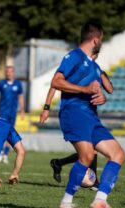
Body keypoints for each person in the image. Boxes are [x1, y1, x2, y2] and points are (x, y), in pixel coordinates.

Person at [51, 20, 125, 208]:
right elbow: (56, 81)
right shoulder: (74, 56)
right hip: (74, 113)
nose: (101, 42)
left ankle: (100, 200)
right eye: (101, 39)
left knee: (118, 154)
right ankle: (66, 204)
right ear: (95, 39)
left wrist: (102, 98)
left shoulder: (94, 66)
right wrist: (85, 89)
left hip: (91, 117)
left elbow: (99, 91)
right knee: (87, 156)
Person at [40, 53, 114, 187]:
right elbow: (54, 85)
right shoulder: (76, 66)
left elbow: (109, 89)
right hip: (75, 114)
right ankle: (92, 181)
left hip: (90, 115)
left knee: (91, 151)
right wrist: (47, 108)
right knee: (89, 151)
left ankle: (60, 164)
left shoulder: (96, 69)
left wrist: (101, 74)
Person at [0, 66, 25, 164]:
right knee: (2, 133)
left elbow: (21, 97)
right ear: (5, 73)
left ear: (13, 73)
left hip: (12, 113)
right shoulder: (1, 83)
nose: (9, 73)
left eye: (10, 72)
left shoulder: (18, 84)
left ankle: (5, 154)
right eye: (7, 72)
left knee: (10, 133)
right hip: (3, 112)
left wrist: (22, 110)